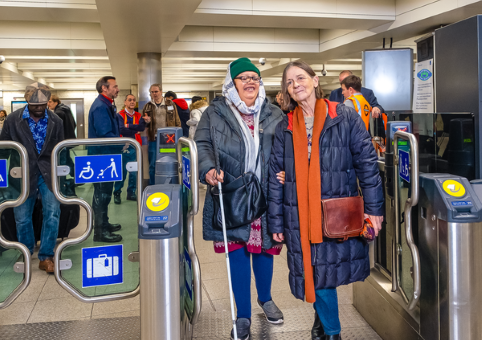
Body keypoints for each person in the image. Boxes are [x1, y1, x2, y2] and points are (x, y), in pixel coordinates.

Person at [268, 60, 384, 340]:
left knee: (321, 273)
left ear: (315, 80)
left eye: (300, 78)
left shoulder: (344, 116)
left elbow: (367, 163)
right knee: (316, 270)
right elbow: (275, 175)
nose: (296, 85)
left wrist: (374, 209)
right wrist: (276, 221)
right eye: (289, 82)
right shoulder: (284, 127)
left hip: (334, 210)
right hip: (299, 212)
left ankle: (330, 331)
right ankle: (326, 328)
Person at [195, 57, 285, 340]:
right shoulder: (215, 112)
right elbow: (203, 143)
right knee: (238, 250)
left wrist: (287, 172)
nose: (250, 82)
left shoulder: (273, 113)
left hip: (266, 192)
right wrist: (208, 168)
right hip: (232, 191)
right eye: (243, 77)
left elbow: (286, 146)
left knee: (265, 248)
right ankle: (243, 315)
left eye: (254, 78)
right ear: (231, 83)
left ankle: (266, 298)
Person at [0, 83, 65, 273]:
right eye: (34, 105)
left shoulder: (56, 120)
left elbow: (61, 148)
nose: (39, 108)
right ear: (27, 101)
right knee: (22, 217)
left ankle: (46, 256)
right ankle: (26, 252)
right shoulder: (12, 120)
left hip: (48, 172)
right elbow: (3, 149)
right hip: (21, 173)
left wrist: (66, 174)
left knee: (52, 213)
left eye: (43, 105)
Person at [88, 76, 122, 243]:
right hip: (101, 156)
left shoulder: (107, 105)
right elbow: (104, 133)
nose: (117, 89)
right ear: (104, 88)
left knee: (105, 193)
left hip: (106, 155)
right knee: (102, 194)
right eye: (114, 87)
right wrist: (121, 144)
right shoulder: (100, 107)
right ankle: (100, 232)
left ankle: (104, 223)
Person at [142, 84, 181, 185]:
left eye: (156, 91)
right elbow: (143, 124)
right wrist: (146, 121)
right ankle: (152, 186)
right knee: (152, 165)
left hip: (169, 139)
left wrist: (179, 137)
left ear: (161, 91)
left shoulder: (170, 104)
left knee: (171, 162)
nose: (154, 94)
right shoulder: (148, 106)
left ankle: (170, 185)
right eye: (152, 92)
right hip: (153, 139)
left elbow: (177, 121)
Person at [114, 94, 145, 204]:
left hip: (135, 146)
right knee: (121, 171)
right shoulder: (120, 115)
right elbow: (122, 130)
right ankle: (117, 192)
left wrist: (129, 126)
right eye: (129, 100)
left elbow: (142, 127)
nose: (132, 102)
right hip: (123, 146)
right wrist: (134, 129)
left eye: (133, 100)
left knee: (133, 171)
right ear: (125, 102)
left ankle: (131, 193)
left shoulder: (138, 115)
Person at [48, 95, 77, 196]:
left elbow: (55, 130)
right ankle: (77, 176)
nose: (48, 104)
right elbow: (74, 123)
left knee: (62, 163)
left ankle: (62, 184)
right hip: (68, 140)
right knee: (67, 160)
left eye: (50, 102)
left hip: (61, 142)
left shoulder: (58, 113)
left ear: (56, 102)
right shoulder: (66, 109)